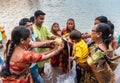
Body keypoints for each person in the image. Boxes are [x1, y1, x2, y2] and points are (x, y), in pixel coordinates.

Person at [33, 10, 56, 74]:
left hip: (46, 50)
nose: (42, 21)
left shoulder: (44, 27)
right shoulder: (33, 29)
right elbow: (39, 42)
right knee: (39, 68)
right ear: (35, 18)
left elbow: (50, 35)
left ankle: (42, 74)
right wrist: (53, 46)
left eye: (43, 19)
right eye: (41, 19)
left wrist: (57, 39)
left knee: (44, 66)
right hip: (38, 52)